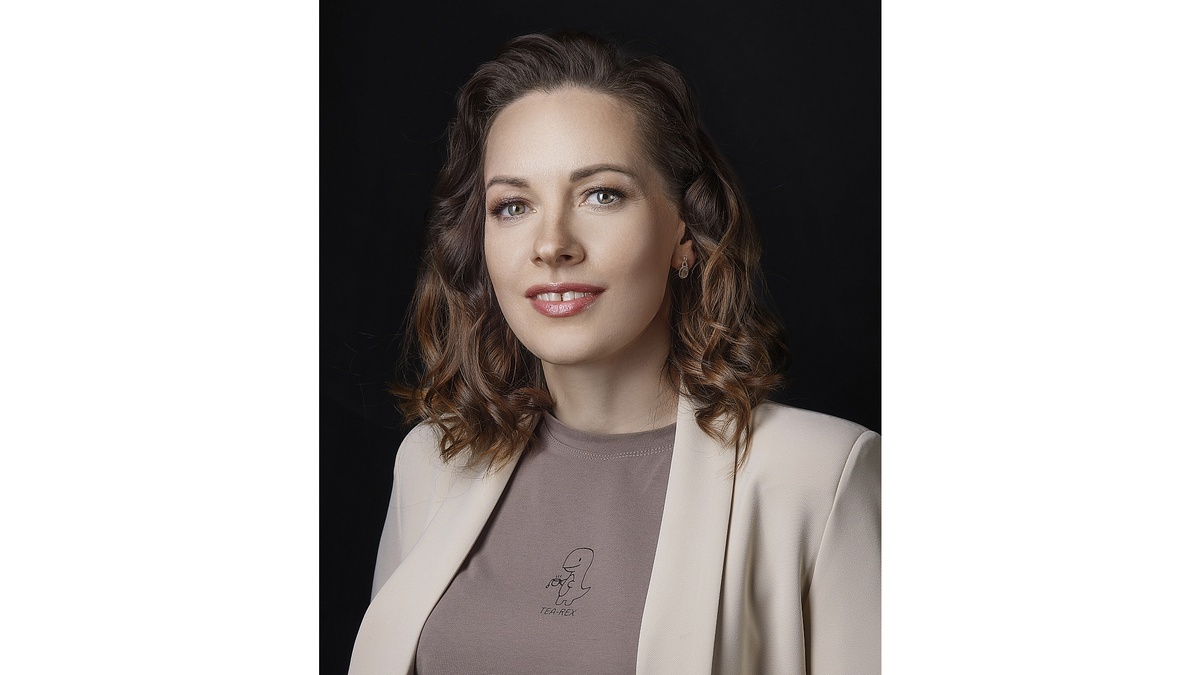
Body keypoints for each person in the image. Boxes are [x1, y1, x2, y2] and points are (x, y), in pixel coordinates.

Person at [349, 31, 879, 675]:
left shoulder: (821, 477)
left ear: (685, 231)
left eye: (602, 195)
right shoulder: (432, 462)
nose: (552, 244)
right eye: (513, 206)